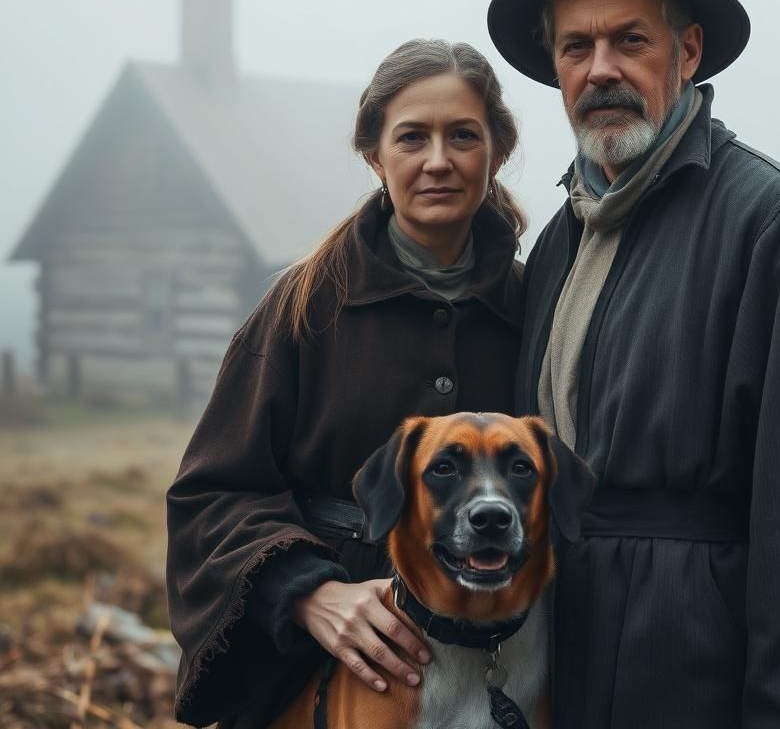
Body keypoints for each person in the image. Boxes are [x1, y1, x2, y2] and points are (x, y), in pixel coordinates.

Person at [487, 0, 780, 728]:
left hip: (691, 685)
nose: (600, 70)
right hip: (558, 673)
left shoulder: (777, 225)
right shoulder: (562, 239)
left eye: (629, 40)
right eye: (577, 47)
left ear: (689, 51)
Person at [166, 39, 527, 728]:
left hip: (497, 671)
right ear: (374, 155)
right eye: (411, 137)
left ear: (497, 152)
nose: (438, 160)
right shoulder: (302, 306)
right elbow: (210, 495)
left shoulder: (533, 307)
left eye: (463, 136)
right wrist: (307, 591)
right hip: (315, 675)